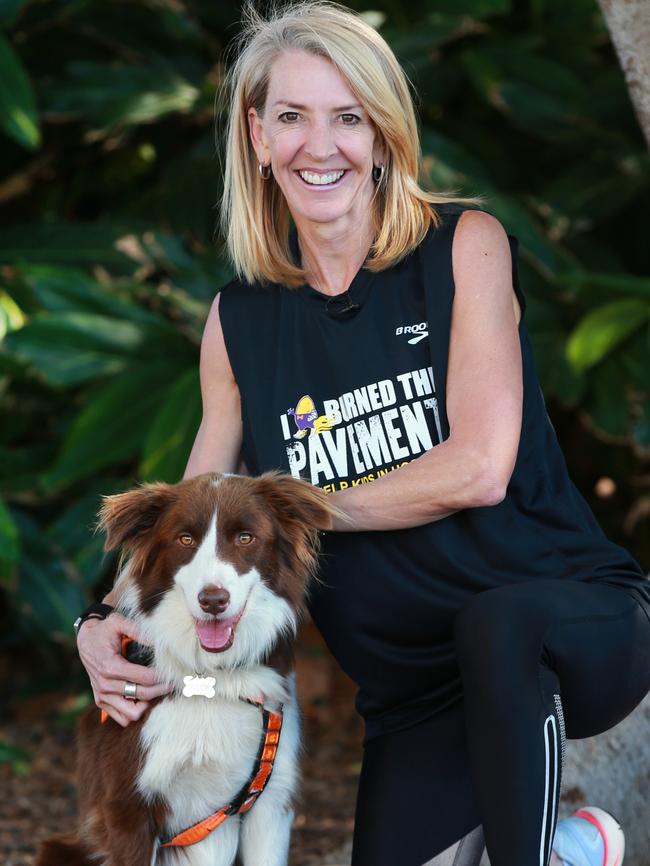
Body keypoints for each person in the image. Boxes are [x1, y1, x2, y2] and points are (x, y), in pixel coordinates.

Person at [75, 3, 650, 865]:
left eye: (349, 118)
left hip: (569, 623)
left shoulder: (465, 247)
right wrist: (100, 622)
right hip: (418, 697)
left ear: (383, 136)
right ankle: (566, 844)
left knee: (500, 624)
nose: (322, 145)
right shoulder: (240, 323)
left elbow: (480, 470)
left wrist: (293, 515)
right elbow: (190, 521)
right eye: (293, 117)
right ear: (258, 135)